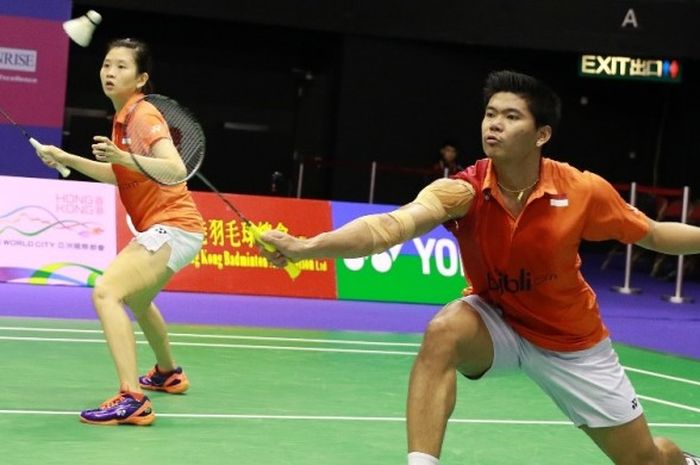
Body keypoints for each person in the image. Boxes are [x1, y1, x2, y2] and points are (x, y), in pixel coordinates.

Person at [259, 70, 700, 464]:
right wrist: (307, 246)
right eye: (490, 114)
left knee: (645, 460)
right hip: (499, 324)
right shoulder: (462, 191)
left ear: (541, 133)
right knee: (445, 330)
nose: (495, 124)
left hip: (572, 343)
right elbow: (390, 227)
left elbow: (654, 235)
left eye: (511, 116)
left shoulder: (581, 190)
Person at [36, 38, 205, 426]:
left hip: (173, 226)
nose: (110, 72)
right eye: (107, 65)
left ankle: (133, 398)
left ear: (141, 77)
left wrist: (125, 156)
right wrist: (64, 158)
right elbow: (118, 174)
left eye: (121, 67)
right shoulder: (123, 119)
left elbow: (175, 169)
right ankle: (168, 373)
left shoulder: (143, 116)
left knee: (108, 291)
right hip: (175, 228)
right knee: (139, 301)